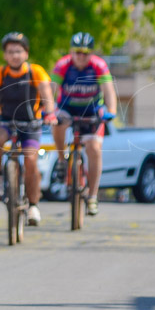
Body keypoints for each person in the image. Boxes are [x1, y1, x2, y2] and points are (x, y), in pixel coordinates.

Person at [0, 32, 58, 226]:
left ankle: (33, 204)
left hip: (31, 124)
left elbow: (46, 94)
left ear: (26, 53)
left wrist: (50, 113)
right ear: (5, 55)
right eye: (10, 52)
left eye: (18, 51)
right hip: (6, 122)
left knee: (30, 159)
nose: (14, 55)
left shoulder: (35, 71)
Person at [49, 32, 118, 216]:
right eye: (77, 52)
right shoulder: (63, 65)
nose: (81, 56)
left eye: (85, 53)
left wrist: (111, 111)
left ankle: (93, 196)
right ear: (71, 52)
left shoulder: (98, 65)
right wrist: (47, 110)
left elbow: (109, 91)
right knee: (56, 123)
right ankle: (62, 159)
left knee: (94, 148)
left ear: (91, 54)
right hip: (68, 108)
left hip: (92, 109)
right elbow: (51, 90)